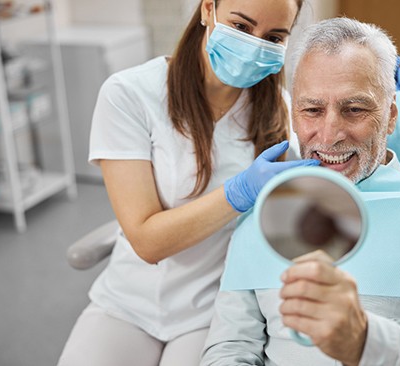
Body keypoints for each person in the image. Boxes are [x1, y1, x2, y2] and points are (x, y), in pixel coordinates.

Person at [57, 1, 319, 365]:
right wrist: (238, 192)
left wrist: (392, 106)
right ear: (208, 10)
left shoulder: (279, 110)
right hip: (127, 303)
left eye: (273, 37)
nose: (256, 45)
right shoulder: (130, 94)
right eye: (242, 27)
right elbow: (147, 242)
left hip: (213, 309)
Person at [201, 17, 400, 366]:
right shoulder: (261, 214)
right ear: (294, 115)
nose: (329, 136)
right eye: (312, 110)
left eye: (354, 109)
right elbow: (230, 347)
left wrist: (366, 341)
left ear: (390, 116)